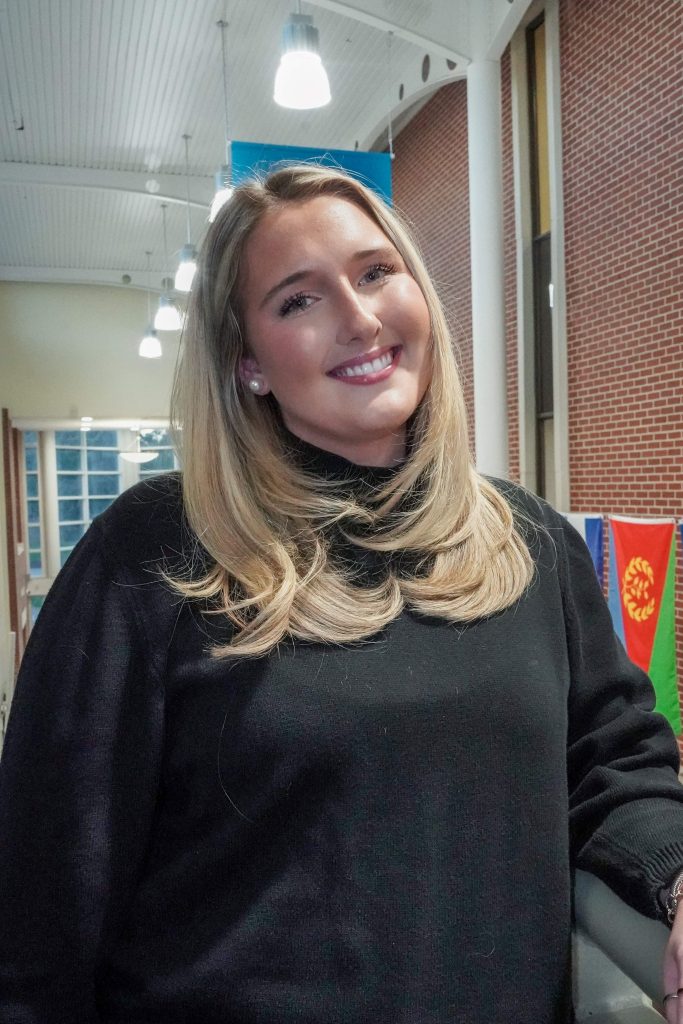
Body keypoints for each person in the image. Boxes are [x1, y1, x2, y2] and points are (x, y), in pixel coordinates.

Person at [1, 163, 683, 1024]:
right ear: (246, 362)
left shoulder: (526, 544)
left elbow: (616, 762)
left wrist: (675, 878)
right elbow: (42, 894)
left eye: (374, 273)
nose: (359, 319)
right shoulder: (157, 552)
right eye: (298, 300)